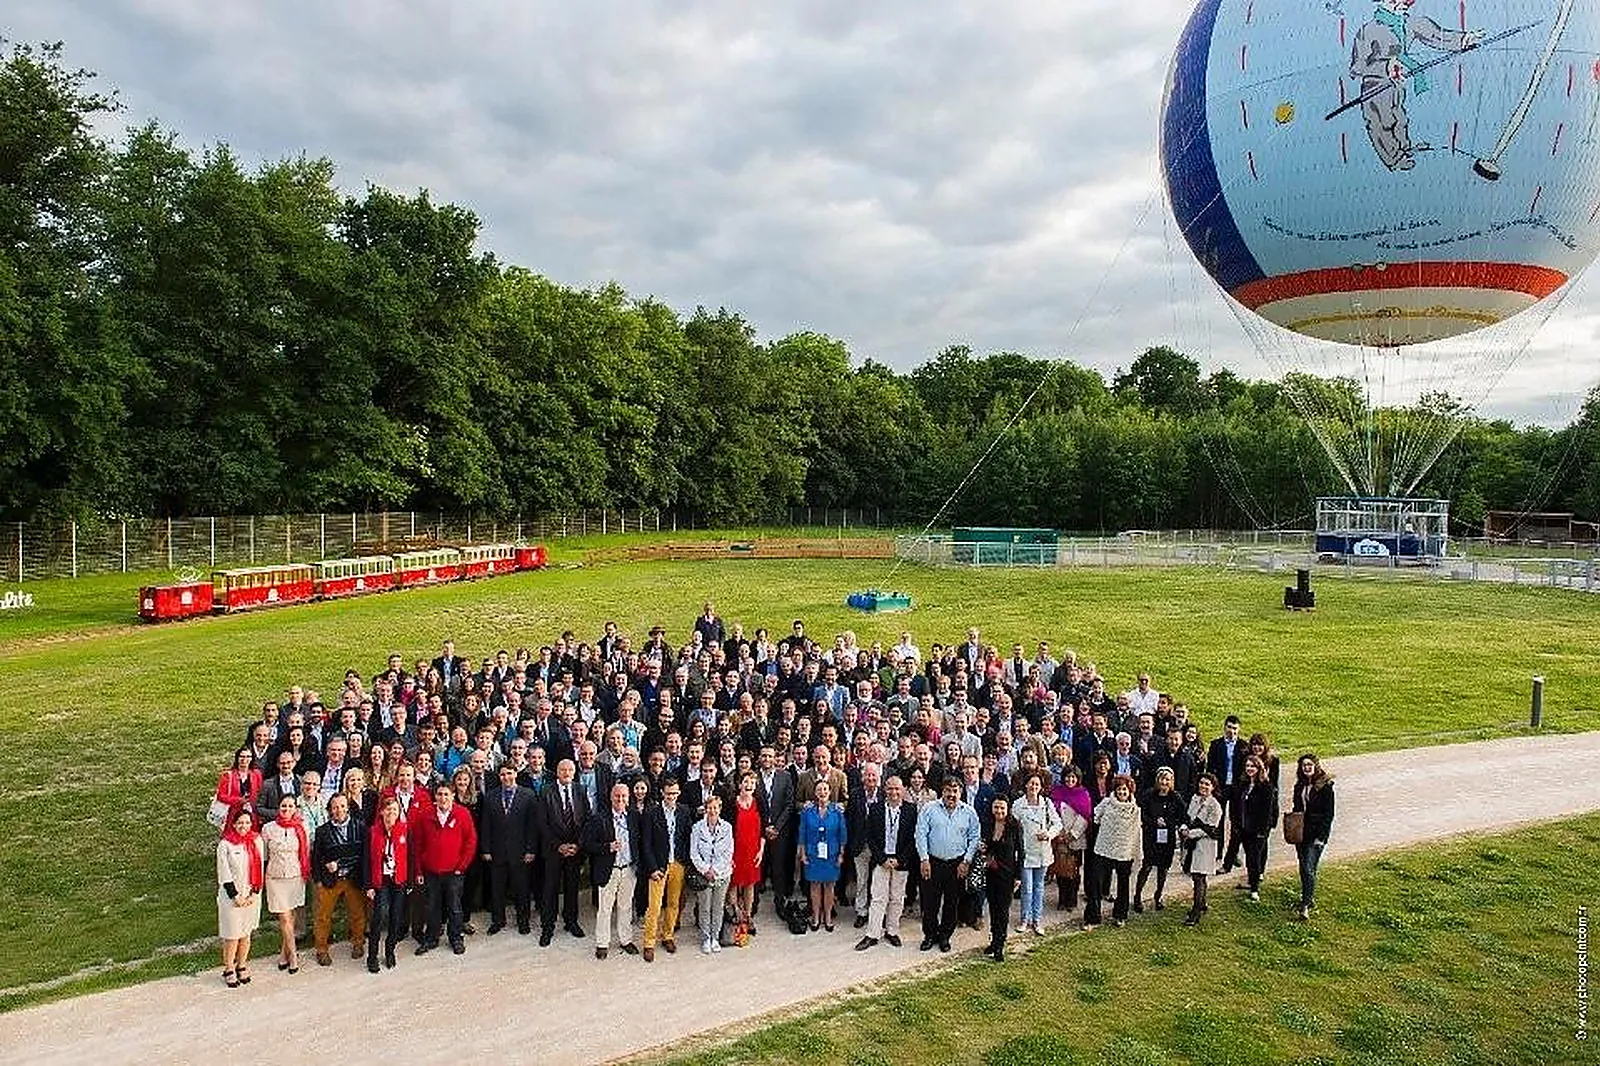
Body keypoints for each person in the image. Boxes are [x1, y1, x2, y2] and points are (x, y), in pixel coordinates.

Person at [915, 776, 980, 953]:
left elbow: (974, 837)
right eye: (948, 790)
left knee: (951, 903)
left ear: (961, 792)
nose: (952, 794)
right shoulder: (929, 809)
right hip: (932, 863)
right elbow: (920, 834)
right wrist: (924, 859)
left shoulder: (969, 812)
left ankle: (944, 936)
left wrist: (966, 861)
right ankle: (929, 935)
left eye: (955, 791)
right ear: (942, 791)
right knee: (930, 903)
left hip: (957, 865)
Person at [414, 781, 478, 955]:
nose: (443, 798)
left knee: (454, 907)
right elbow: (418, 844)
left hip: (454, 872)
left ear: (453, 796)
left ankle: (456, 938)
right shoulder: (425, 815)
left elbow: (471, 841)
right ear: (435, 796)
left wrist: (462, 866)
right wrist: (419, 870)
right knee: (432, 906)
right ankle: (431, 939)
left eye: (446, 794)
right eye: (440, 794)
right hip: (431, 871)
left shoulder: (462, 813)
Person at [856, 774, 918, 951]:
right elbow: (870, 836)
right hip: (881, 861)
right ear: (885, 789)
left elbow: (912, 839)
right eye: (890, 788)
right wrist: (882, 859)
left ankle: (892, 931)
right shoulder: (875, 809)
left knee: (897, 898)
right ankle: (872, 934)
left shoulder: (911, 810)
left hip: (901, 862)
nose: (894, 792)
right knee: (877, 898)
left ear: (903, 790)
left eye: (897, 788)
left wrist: (900, 859)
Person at [584, 782, 643, 959]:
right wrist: (607, 847)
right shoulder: (599, 818)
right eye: (617, 796)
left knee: (625, 907)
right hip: (608, 870)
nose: (620, 799)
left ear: (628, 798)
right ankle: (602, 943)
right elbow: (587, 844)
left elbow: (639, 841)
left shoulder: (633, 817)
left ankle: (625, 940)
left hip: (629, 869)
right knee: (605, 908)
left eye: (624, 796)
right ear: (611, 797)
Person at [481, 763, 539, 936]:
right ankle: (498, 921)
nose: (506, 777)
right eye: (503, 774)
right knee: (497, 889)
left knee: (521, 889)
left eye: (509, 773)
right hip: (497, 851)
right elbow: (486, 825)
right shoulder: (491, 796)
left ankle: (523, 921)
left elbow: (532, 826)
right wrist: (486, 848)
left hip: (520, 851)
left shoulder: (528, 795)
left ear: (515, 774)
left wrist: (531, 850)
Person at [310, 793, 367, 966]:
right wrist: (319, 879)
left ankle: (358, 942)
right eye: (335, 807)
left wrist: (342, 862)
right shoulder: (322, 831)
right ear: (330, 810)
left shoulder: (360, 827)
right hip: (330, 880)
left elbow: (362, 855)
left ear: (347, 807)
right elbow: (316, 857)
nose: (339, 810)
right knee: (323, 916)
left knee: (357, 913)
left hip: (352, 878)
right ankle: (321, 949)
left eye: (342, 806)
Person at [537, 757, 588, 945]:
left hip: (574, 850)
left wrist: (578, 845)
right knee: (550, 889)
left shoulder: (580, 790)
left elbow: (586, 819)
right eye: (563, 770)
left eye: (570, 770)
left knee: (572, 888)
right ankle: (547, 927)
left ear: (574, 772)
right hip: (553, 850)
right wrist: (559, 846)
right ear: (557, 772)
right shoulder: (546, 791)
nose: (567, 773)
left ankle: (571, 921)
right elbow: (542, 824)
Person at [641, 778, 691, 961]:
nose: (672, 796)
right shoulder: (651, 812)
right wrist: (652, 868)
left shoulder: (684, 811)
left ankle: (668, 936)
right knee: (654, 906)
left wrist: (684, 861)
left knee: (673, 903)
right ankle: (648, 942)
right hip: (658, 866)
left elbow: (687, 837)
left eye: (675, 793)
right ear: (662, 792)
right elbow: (645, 843)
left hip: (677, 864)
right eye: (669, 793)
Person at [260, 793, 311, 973]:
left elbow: (306, 850)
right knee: (284, 918)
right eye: (283, 806)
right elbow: (263, 856)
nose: (286, 809)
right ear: (278, 808)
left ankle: (284, 954)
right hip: (275, 877)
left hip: (296, 876)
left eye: (290, 806)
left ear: (295, 809)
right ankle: (294, 955)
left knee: (292, 916)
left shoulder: (302, 826)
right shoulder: (268, 829)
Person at [365, 795, 413, 972]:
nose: (391, 813)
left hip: (398, 879)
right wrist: (368, 885)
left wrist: (409, 881)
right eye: (388, 809)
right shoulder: (372, 831)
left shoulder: (405, 830)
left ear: (399, 812)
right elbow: (366, 860)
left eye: (395, 810)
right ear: (382, 812)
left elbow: (410, 857)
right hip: (380, 880)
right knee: (379, 916)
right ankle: (372, 955)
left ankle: (390, 950)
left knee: (395, 916)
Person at [1084, 775, 1138, 930]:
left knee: (1123, 884)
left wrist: (1134, 852)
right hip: (1104, 848)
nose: (1122, 792)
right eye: (1119, 789)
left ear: (1129, 791)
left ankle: (1120, 915)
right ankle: (1092, 918)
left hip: (1124, 851)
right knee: (1096, 882)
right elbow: (1095, 816)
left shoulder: (1134, 809)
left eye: (1124, 790)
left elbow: (1135, 832)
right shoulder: (1107, 802)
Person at [216, 809, 263, 988]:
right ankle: (229, 968)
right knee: (232, 935)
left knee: (246, 933)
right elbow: (224, 873)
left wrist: (255, 893)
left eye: (247, 822)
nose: (244, 826)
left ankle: (242, 965)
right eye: (240, 823)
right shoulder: (225, 845)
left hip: (251, 895)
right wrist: (235, 896)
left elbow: (260, 866)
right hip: (232, 898)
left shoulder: (257, 841)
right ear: (233, 824)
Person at [1012, 770, 1060, 935]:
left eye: (1037, 784)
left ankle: (1037, 920)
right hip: (1026, 852)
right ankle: (1025, 919)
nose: (1033, 786)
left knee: (1039, 887)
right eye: (1031, 783)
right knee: (1027, 888)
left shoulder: (1047, 804)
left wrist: (1048, 834)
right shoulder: (1018, 805)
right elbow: (1013, 827)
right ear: (1025, 785)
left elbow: (1057, 824)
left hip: (1043, 852)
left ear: (1041, 787)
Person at [1134, 767, 1186, 913]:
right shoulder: (1149, 795)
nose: (1164, 782)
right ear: (1157, 780)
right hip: (1151, 835)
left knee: (1163, 868)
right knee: (1147, 866)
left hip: (1167, 836)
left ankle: (1158, 895)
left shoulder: (1176, 797)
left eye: (1167, 779)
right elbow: (1141, 812)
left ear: (1171, 781)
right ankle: (1137, 896)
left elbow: (1182, 816)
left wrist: (1170, 823)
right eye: (1162, 779)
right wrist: (1153, 821)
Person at [1291, 753, 1336, 920]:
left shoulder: (1325, 787)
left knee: (1308, 868)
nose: (1307, 768)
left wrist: (1322, 837)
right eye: (1304, 765)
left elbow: (1329, 814)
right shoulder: (1299, 786)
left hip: (1316, 834)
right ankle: (1308, 897)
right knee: (1304, 867)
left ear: (1316, 766)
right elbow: (1297, 806)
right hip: (1301, 832)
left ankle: (1305, 905)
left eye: (1310, 765)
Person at [978, 794, 1023, 961]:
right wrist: (984, 849)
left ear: (1008, 809)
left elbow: (1021, 852)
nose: (999, 811)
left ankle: (999, 945)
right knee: (993, 909)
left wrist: (1018, 876)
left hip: (1007, 875)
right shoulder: (988, 824)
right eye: (996, 807)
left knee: (1003, 912)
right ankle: (993, 941)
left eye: (1002, 808)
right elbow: (985, 846)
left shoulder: (1014, 826)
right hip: (990, 873)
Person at [798, 778, 846, 932]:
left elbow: (842, 834)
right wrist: (803, 853)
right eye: (819, 790)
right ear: (815, 792)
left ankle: (828, 917)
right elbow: (802, 833)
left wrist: (841, 854)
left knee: (829, 886)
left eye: (825, 789)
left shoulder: (837, 811)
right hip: (813, 854)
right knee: (815, 886)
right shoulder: (807, 811)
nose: (822, 792)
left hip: (832, 854)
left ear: (830, 792)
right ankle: (816, 916)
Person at [689, 795, 735, 955]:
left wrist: (715, 870)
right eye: (709, 808)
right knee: (704, 907)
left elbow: (729, 853)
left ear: (720, 809)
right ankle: (705, 938)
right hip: (704, 875)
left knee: (718, 907)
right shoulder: (697, 828)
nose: (712, 810)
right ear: (705, 809)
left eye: (715, 807)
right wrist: (706, 870)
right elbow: (694, 853)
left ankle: (715, 937)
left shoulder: (727, 828)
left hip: (722, 874)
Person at [1181, 773, 1225, 927]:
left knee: (1200, 876)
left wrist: (1191, 833)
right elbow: (1188, 818)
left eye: (1207, 784)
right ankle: (1202, 902)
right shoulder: (1194, 799)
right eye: (1201, 783)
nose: (1203, 787)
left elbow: (1210, 829)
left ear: (1213, 787)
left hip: (1205, 845)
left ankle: (1195, 912)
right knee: (1196, 875)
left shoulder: (1215, 806)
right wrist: (1184, 828)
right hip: (1192, 844)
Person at [727, 771, 765, 938]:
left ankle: (748, 916)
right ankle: (736, 915)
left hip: (753, 851)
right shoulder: (731, 804)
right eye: (746, 782)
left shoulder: (759, 803)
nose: (749, 785)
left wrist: (761, 851)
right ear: (739, 784)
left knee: (750, 884)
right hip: (735, 851)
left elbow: (763, 828)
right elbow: (726, 832)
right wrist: (728, 855)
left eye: (752, 782)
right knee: (734, 884)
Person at [1236, 754, 1279, 902]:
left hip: (1258, 831)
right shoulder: (1243, 784)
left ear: (1259, 768)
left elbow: (1267, 812)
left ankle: (1254, 889)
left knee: (1254, 858)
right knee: (1249, 858)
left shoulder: (1266, 787)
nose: (1249, 769)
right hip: (1245, 828)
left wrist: (1262, 831)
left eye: (1253, 766)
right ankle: (1251, 881)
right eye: (1247, 766)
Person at [1051, 765, 1091, 911]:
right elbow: (1053, 814)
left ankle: (1071, 900)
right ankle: (1062, 899)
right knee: (1061, 870)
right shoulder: (1057, 792)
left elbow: (1085, 817)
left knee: (1073, 871)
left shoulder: (1083, 794)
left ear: (1078, 778)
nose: (1070, 779)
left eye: (1073, 777)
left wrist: (1071, 835)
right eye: (1068, 776)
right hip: (1060, 838)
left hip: (1075, 839)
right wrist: (1059, 834)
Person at [216, 747, 262, 829]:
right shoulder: (228, 775)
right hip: (233, 813)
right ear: (237, 758)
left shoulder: (256, 774)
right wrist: (238, 800)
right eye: (242, 756)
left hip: (251, 812)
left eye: (248, 757)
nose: (245, 759)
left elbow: (259, 792)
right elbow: (221, 796)